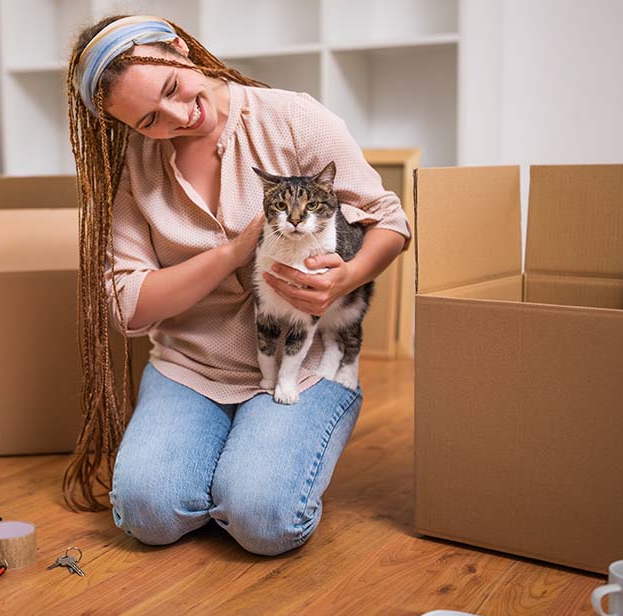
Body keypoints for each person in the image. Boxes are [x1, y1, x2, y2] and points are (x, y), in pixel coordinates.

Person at [63, 15, 411, 556]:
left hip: (305, 363)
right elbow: (129, 304)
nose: (179, 116)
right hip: (192, 367)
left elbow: (390, 220)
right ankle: (230, 458)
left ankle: (251, 462)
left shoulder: (290, 118)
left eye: (174, 88)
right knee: (147, 513)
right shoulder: (135, 165)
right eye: (150, 120)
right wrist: (231, 254)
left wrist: (346, 277)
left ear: (178, 48)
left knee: (263, 522)